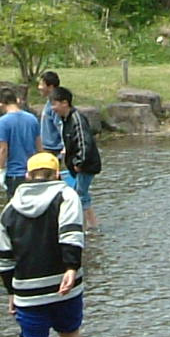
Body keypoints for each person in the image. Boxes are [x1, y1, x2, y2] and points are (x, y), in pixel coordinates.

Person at [0, 151, 85, 337]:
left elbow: (3, 256)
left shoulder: (9, 208)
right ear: (57, 174)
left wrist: (10, 290)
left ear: (27, 176)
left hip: (26, 288)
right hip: (63, 284)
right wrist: (71, 267)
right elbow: (71, 232)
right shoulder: (66, 195)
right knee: (70, 333)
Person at [49, 86, 101, 231]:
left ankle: (84, 229)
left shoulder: (76, 119)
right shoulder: (65, 119)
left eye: (55, 104)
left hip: (86, 165)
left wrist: (79, 162)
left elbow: (85, 142)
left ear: (65, 103)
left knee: (79, 196)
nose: (53, 108)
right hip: (77, 164)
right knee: (82, 194)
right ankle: (92, 225)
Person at [0, 88, 40, 195]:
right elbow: (39, 145)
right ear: (17, 101)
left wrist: (1, 171)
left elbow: (3, 149)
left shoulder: (3, 122)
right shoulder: (32, 119)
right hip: (33, 171)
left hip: (14, 173)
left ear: (1, 104)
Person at [34, 71, 64, 161]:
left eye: (41, 84)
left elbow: (61, 126)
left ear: (50, 87)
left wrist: (64, 148)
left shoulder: (55, 106)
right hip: (45, 149)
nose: (39, 87)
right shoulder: (49, 103)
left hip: (54, 151)